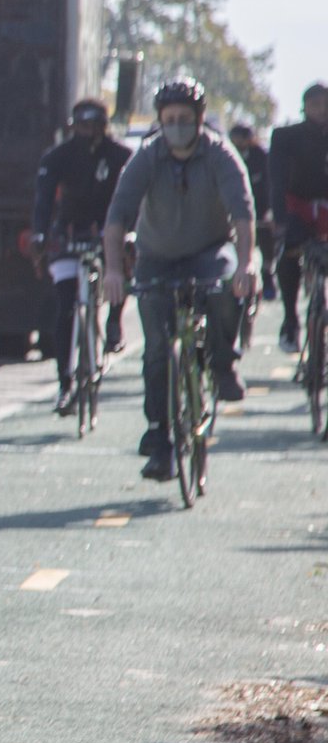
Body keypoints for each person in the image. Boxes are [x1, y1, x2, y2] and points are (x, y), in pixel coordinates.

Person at [103, 78, 256, 482]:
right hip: (157, 257)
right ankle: (160, 438)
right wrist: (115, 269)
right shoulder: (147, 156)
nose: (176, 127)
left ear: (199, 120)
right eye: (168, 120)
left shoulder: (220, 154)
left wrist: (245, 265)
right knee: (156, 349)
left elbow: (242, 212)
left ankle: (223, 364)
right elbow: (117, 216)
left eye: (184, 119)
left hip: (209, 251)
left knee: (225, 289)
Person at [31, 98, 133, 415]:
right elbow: (43, 200)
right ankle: (65, 382)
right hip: (69, 231)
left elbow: (135, 198)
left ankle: (114, 322)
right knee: (65, 304)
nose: (88, 133)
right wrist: (40, 236)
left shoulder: (122, 156)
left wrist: (130, 233)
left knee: (122, 266)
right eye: (82, 126)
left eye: (95, 126)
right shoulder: (57, 156)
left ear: (105, 127)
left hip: (110, 229)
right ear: (73, 127)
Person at [269, 82, 328, 353]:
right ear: (304, 107)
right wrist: (280, 220)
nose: (321, 110)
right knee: (288, 254)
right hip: (298, 209)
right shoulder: (286, 136)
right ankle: (290, 320)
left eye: (325, 104)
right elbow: (277, 180)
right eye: (315, 104)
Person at [228, 122, 277, 303]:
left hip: (261, 210)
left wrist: (271, 212)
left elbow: (270, 186)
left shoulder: (261, 157)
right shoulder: (228, 158)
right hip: (236, 212)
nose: (237, 143)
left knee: (267, 241)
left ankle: (268, 273)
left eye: (240, 139)